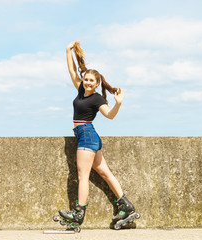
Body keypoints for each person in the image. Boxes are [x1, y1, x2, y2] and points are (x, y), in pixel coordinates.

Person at [58, 40, 136, 227]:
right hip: (87, 136)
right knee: (104, 173)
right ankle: (127, 206)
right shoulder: (80, 90)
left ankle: (78, 214)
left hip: (87, 135)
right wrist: (68, 50)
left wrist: (118, 103)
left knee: (82, 175)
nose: (87, 82)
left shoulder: (96, 98)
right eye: (86, 79)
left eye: (91, 80)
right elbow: (71, 71)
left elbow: (109, 115)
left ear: (97, 83)